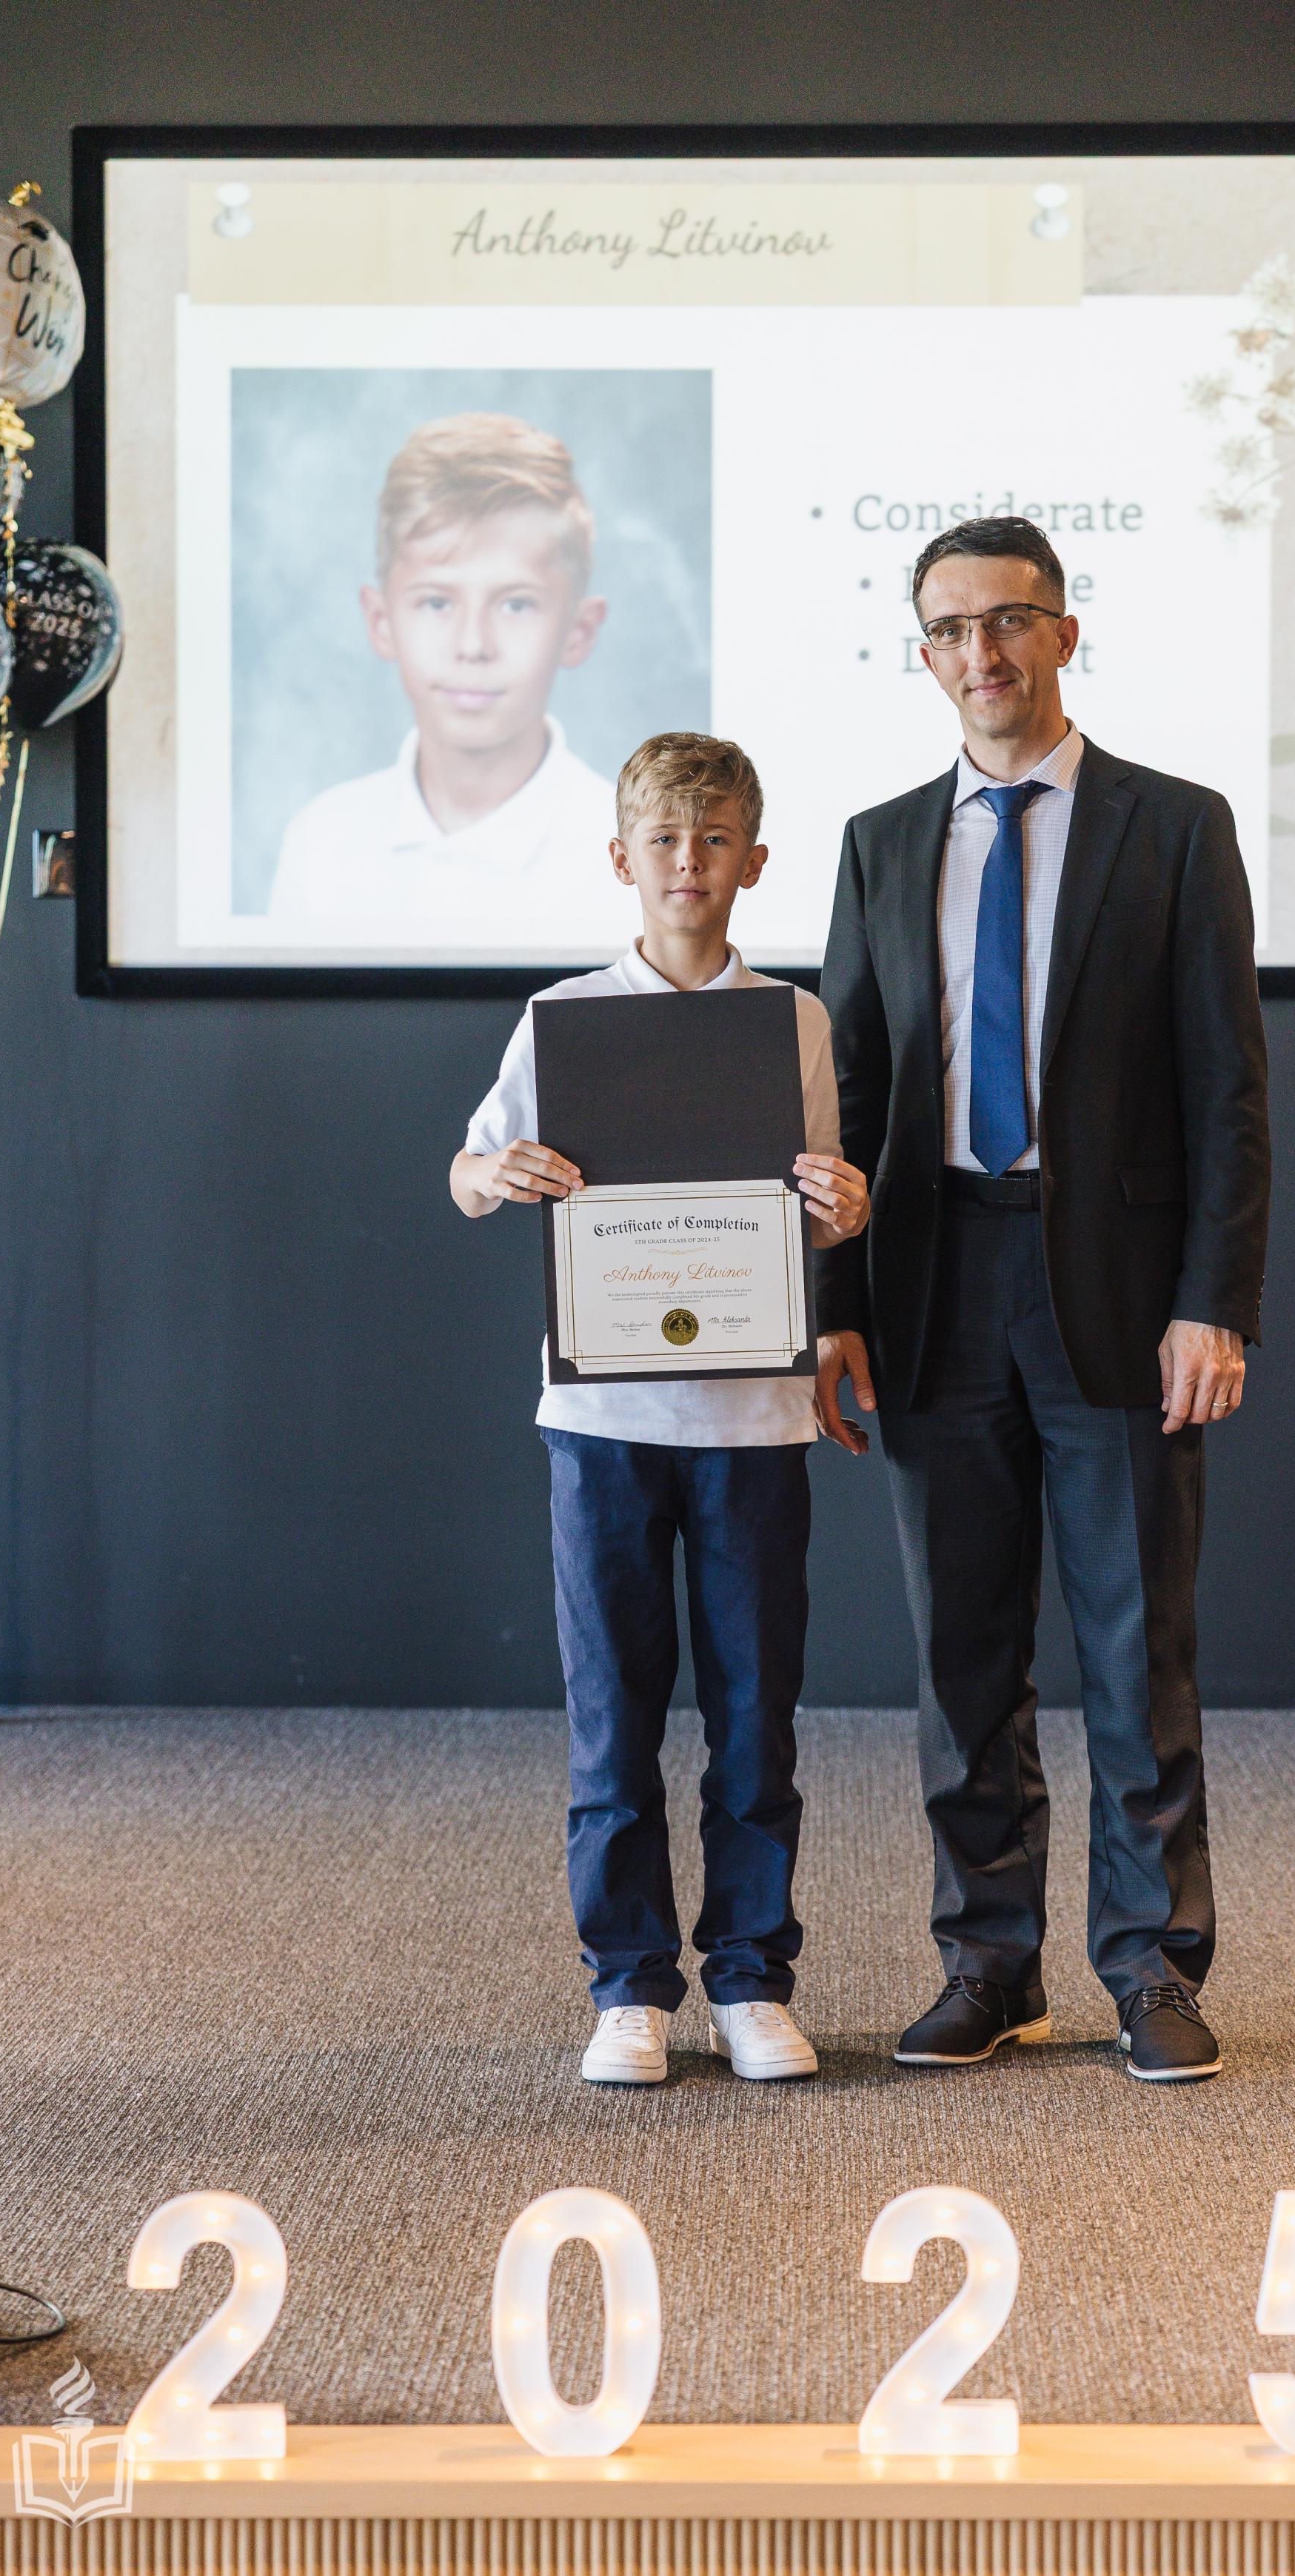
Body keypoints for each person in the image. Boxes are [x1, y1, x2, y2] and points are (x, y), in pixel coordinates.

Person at [814, 517, 1270, 2084]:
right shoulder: (879, 843)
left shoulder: (1174, 827)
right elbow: (848, 1091)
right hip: (929, 1284)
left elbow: (1226, 1091)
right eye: (950, 629)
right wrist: (835, 1304)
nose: (982, 652)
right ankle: (986, 1963)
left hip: (1121, 1299)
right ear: (922, 655)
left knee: (1135, 1649)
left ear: (1063, 634)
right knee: (961, 1655)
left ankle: (1150, 1968)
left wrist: (1212, 1300)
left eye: (1008, 620)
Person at [451, 732, 871, 2087]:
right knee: (612, 1719)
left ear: (754, 860)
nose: (689, 862)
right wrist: (496, 1173)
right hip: (601, 1423)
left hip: (755, 1423)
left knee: (755, 1720)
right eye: (664, 840)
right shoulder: (564, 1018)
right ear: (620, 857)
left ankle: (750, 1980)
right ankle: (628, 1986)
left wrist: (845, 1208)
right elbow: (466, 1173)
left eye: (714, 840)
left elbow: (818, 1204)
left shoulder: (792, 1022)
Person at [272, 413, 628, 950]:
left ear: (579, 632)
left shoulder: (640, 868)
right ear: (381, 621)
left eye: (516, 604)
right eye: (437, 602)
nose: (472, 644)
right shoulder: (320, 845)